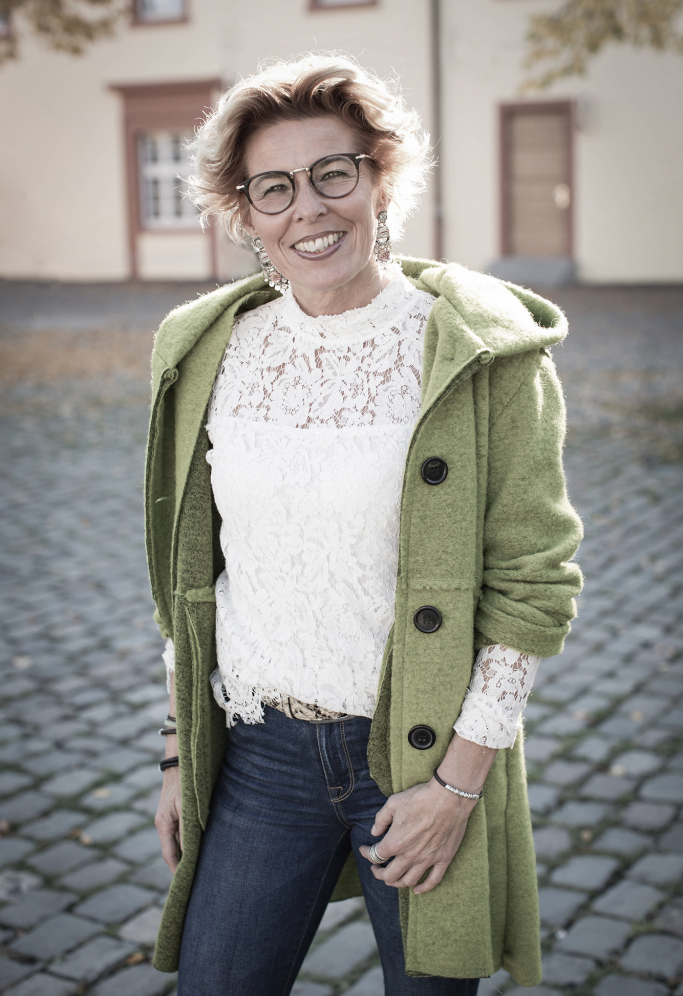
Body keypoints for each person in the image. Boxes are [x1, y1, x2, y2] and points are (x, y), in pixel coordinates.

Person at [146, 53, 583, 995]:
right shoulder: (206, 349)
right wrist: (180, 754)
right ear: (244, 213)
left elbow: (533, 583)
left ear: (380, 179)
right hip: (259, 754)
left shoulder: (481, 351)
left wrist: (456, 787)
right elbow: (189, 579)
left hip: (417, 757)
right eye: (273, 188)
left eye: (332, 173)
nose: (307, 208)